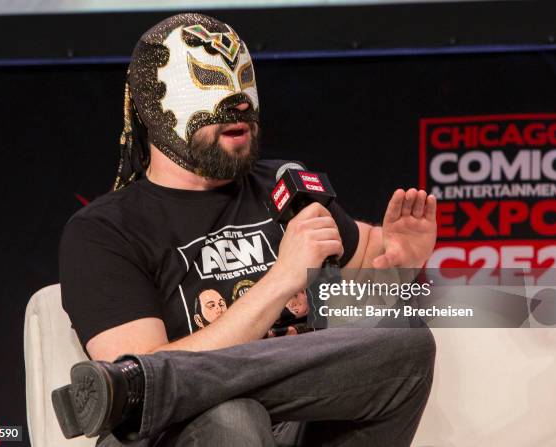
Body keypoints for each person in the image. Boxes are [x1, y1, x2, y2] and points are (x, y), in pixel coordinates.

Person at [55, 13, 437, 447]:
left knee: (405, 336)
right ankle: (175, 389)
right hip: (186, 433)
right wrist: (281, 279)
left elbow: (363, 268)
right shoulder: (105, 230)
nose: (239, 102)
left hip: (298, 419)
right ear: (155, 106)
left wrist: (403, 261)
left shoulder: (282, 183)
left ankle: (169, 385)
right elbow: (136, 372)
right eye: (208, 79)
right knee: (231, 416)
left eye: (243, 80)